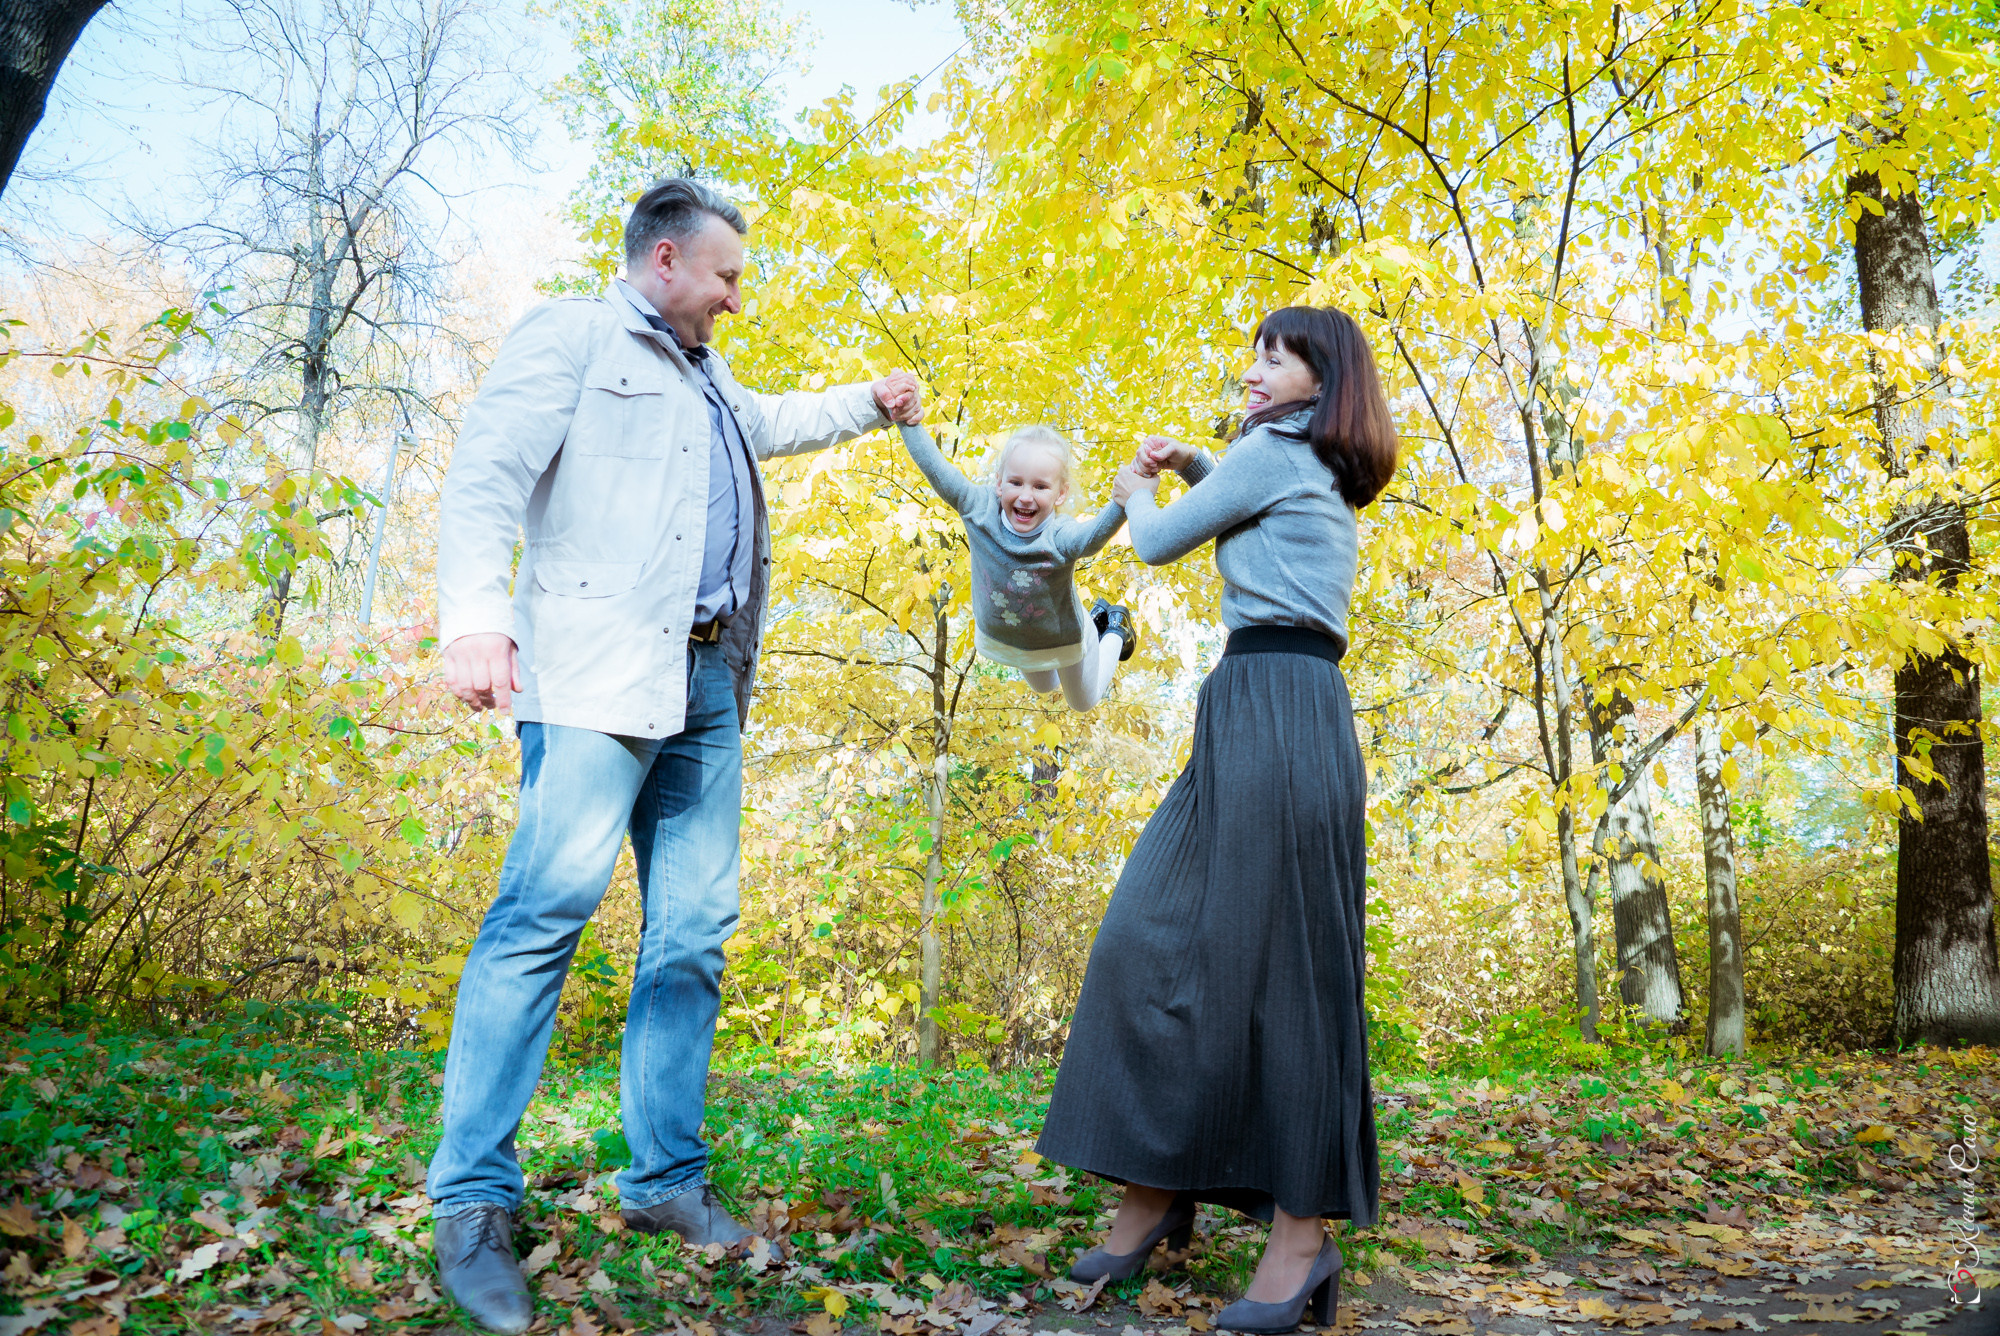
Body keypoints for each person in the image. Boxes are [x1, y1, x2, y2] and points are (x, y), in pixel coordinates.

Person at [428, 177, 923, 1335]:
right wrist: (472, 615)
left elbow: (775, 422)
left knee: (692, 931)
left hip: (705, 684)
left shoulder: (706, 379)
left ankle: (661, 1183)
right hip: (597, 680)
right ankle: (469, 1202)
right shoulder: (576, 334)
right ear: (664, 261)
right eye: (725, 276)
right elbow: (488, 470)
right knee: (541, 915)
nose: (734, 299)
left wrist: (869, 399)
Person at [1034, 306, 1397, 1335]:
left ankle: (1299, 1235)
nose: (1252, 370)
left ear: (1319, 379)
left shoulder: (1273, 452)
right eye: (1252, 354)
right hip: (1259, 707)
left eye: (1273, 357)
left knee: (1287, 976)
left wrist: (1134, 487)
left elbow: (1151, 547)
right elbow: (1242, 504)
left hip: (1275, 707)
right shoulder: (1289, 459)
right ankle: (1157, 1184)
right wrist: (1200, 456)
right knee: (1157, 935)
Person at [898, 422, 1137, 710]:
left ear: (1060, 494)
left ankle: (1114, 629)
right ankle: (1096, 616)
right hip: (1018, 640)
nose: (1026, 496)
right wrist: (904, 419)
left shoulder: (1058, 537)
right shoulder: (978, 509)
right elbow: (935, 468)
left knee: (1081, 702)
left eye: (1040, 486)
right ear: (999, 483)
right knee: (1044, 686)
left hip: (1063, 634)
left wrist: (1123, 503)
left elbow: (1092, 539)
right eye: (1016, 483)